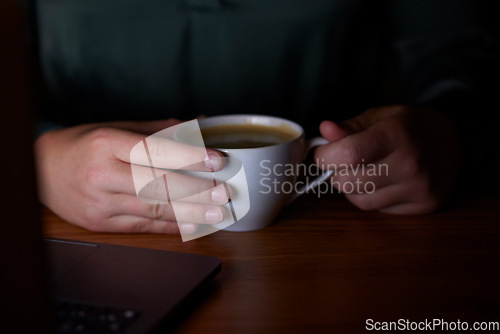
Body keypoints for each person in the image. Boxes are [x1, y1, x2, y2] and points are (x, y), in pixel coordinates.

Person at [33, 0, 497, 234]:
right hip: (82, 234)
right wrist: (31, 161)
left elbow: (454, 53)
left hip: (343, 229)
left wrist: (449, 130)